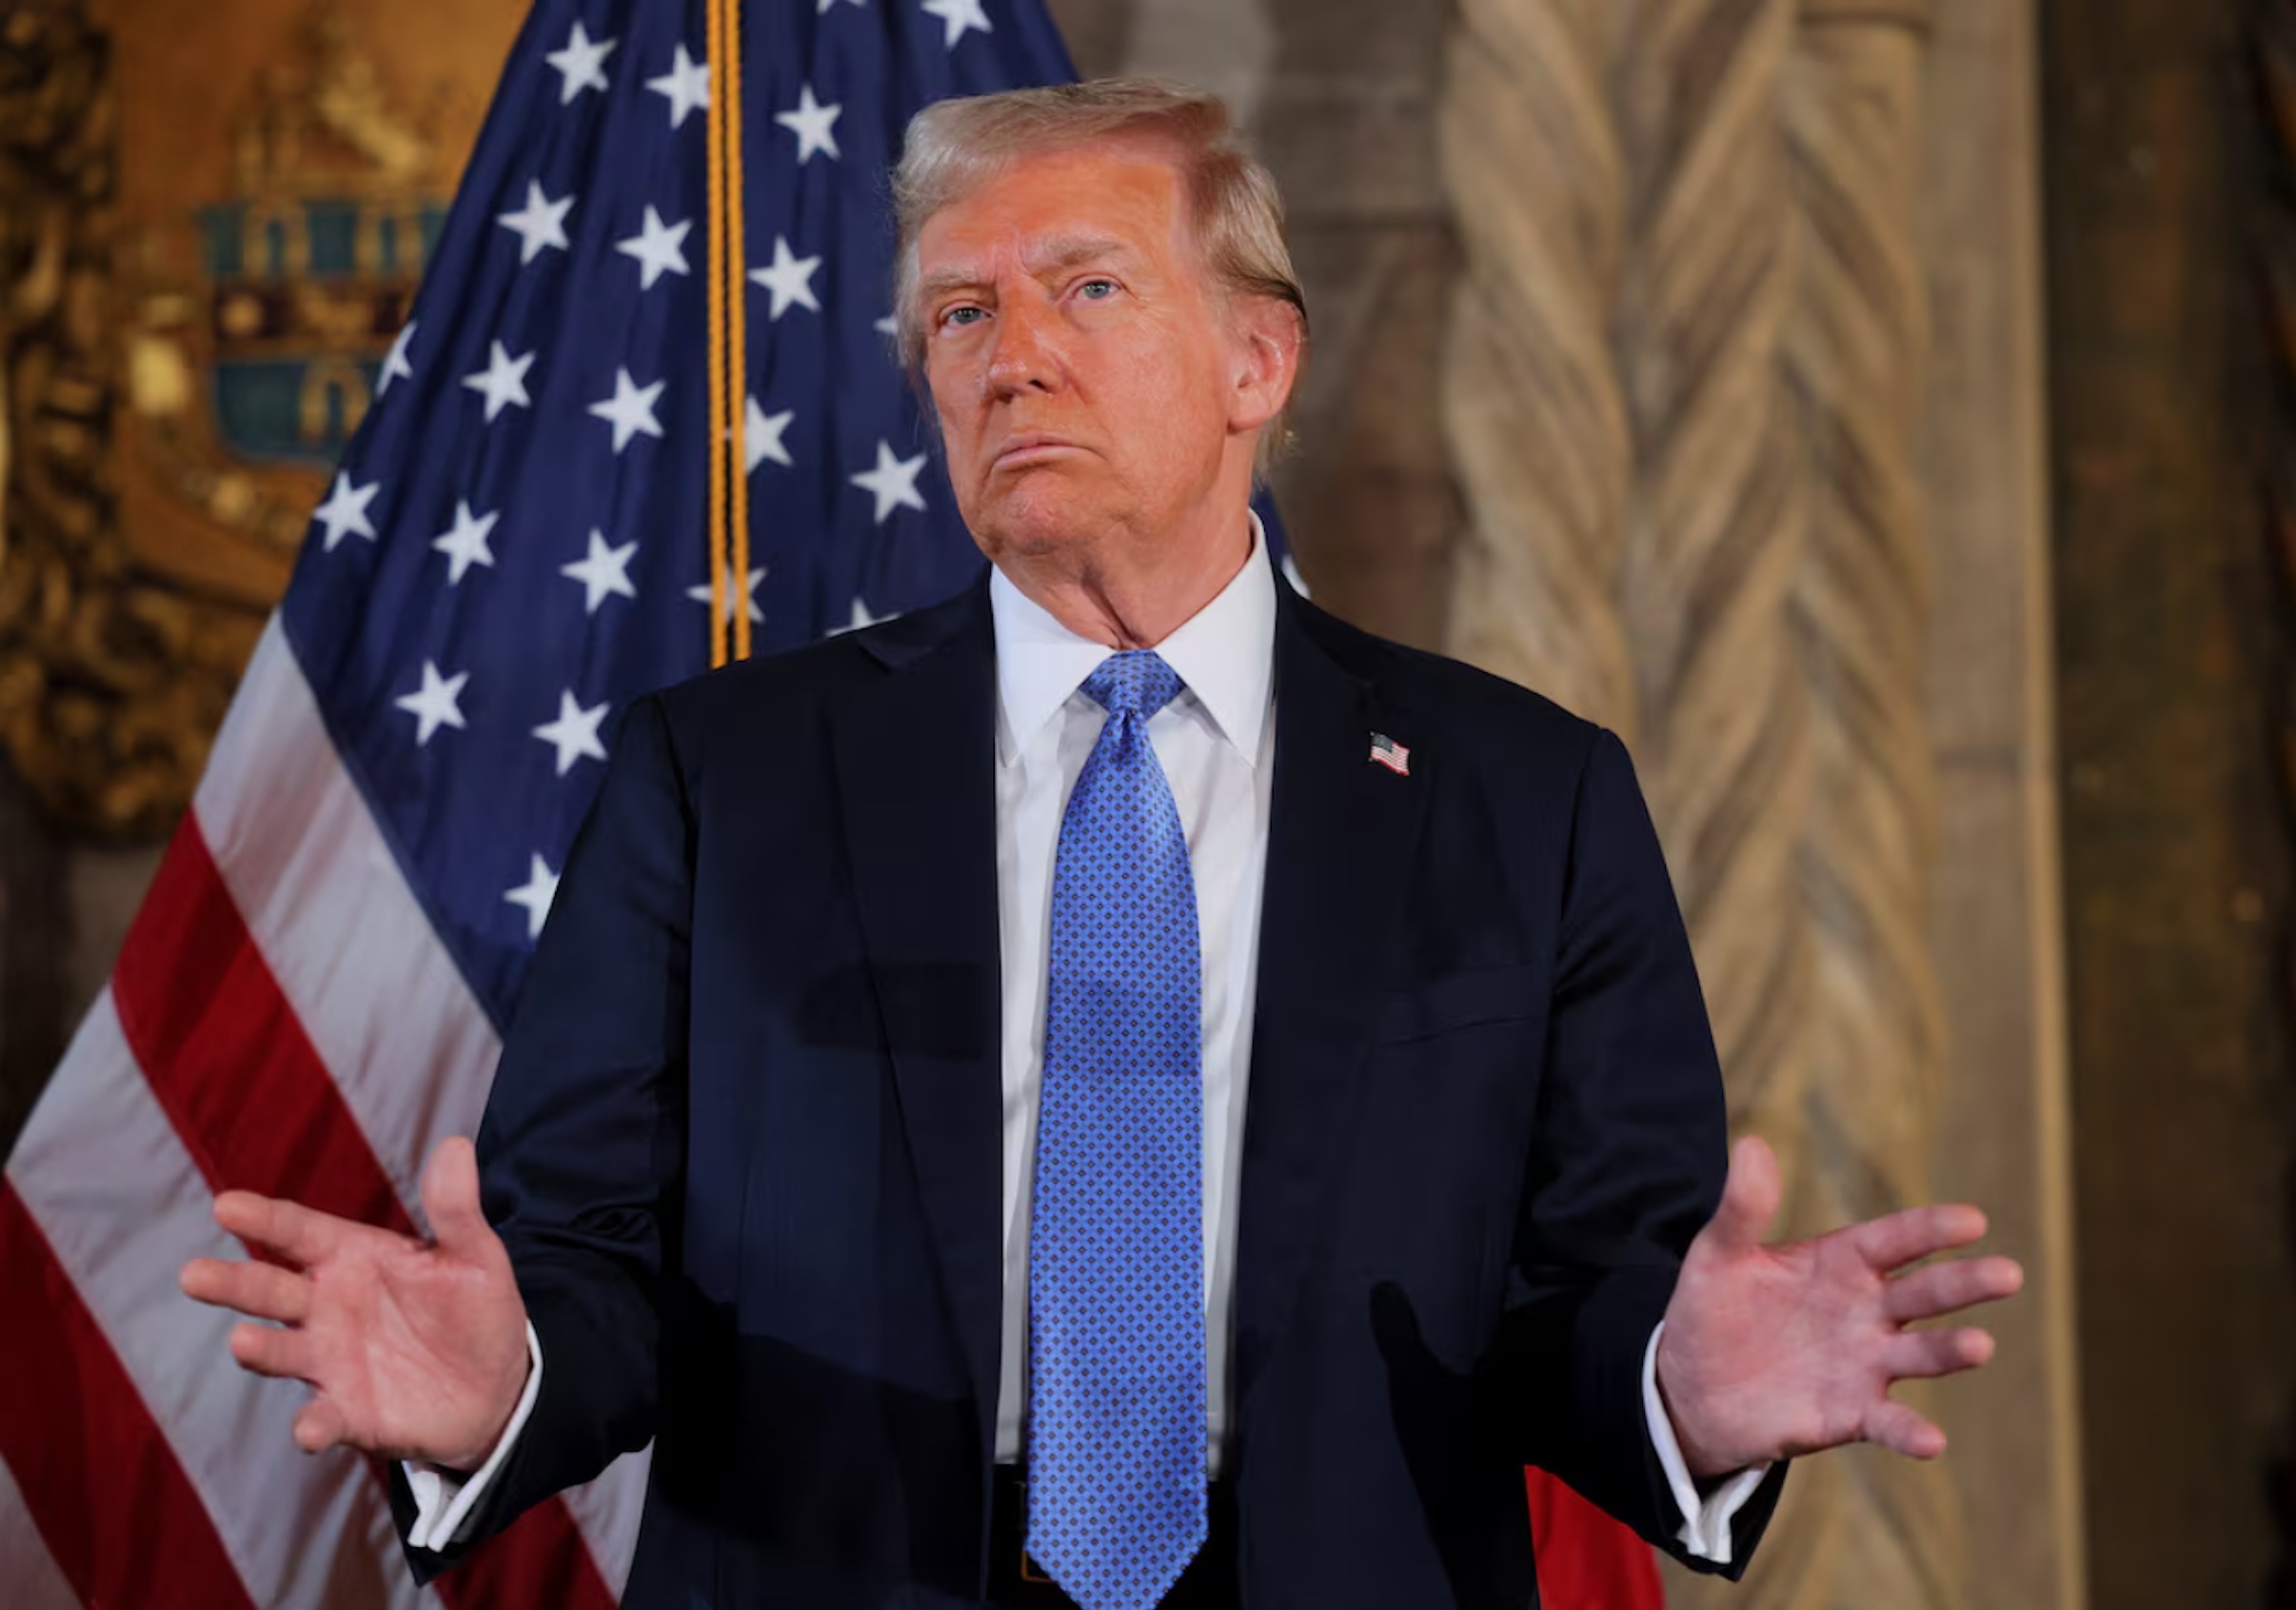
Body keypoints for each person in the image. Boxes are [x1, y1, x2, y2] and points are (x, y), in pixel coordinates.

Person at [180, 79, 2022, 1610]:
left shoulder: (1520, 796)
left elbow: (1595, 1273)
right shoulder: (719, 776)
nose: (1010, 358)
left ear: (1257, 360)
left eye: (1086, 288)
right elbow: (588, 1254)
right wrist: (504, 1375)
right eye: (961, 316)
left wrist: (1676, 1391)